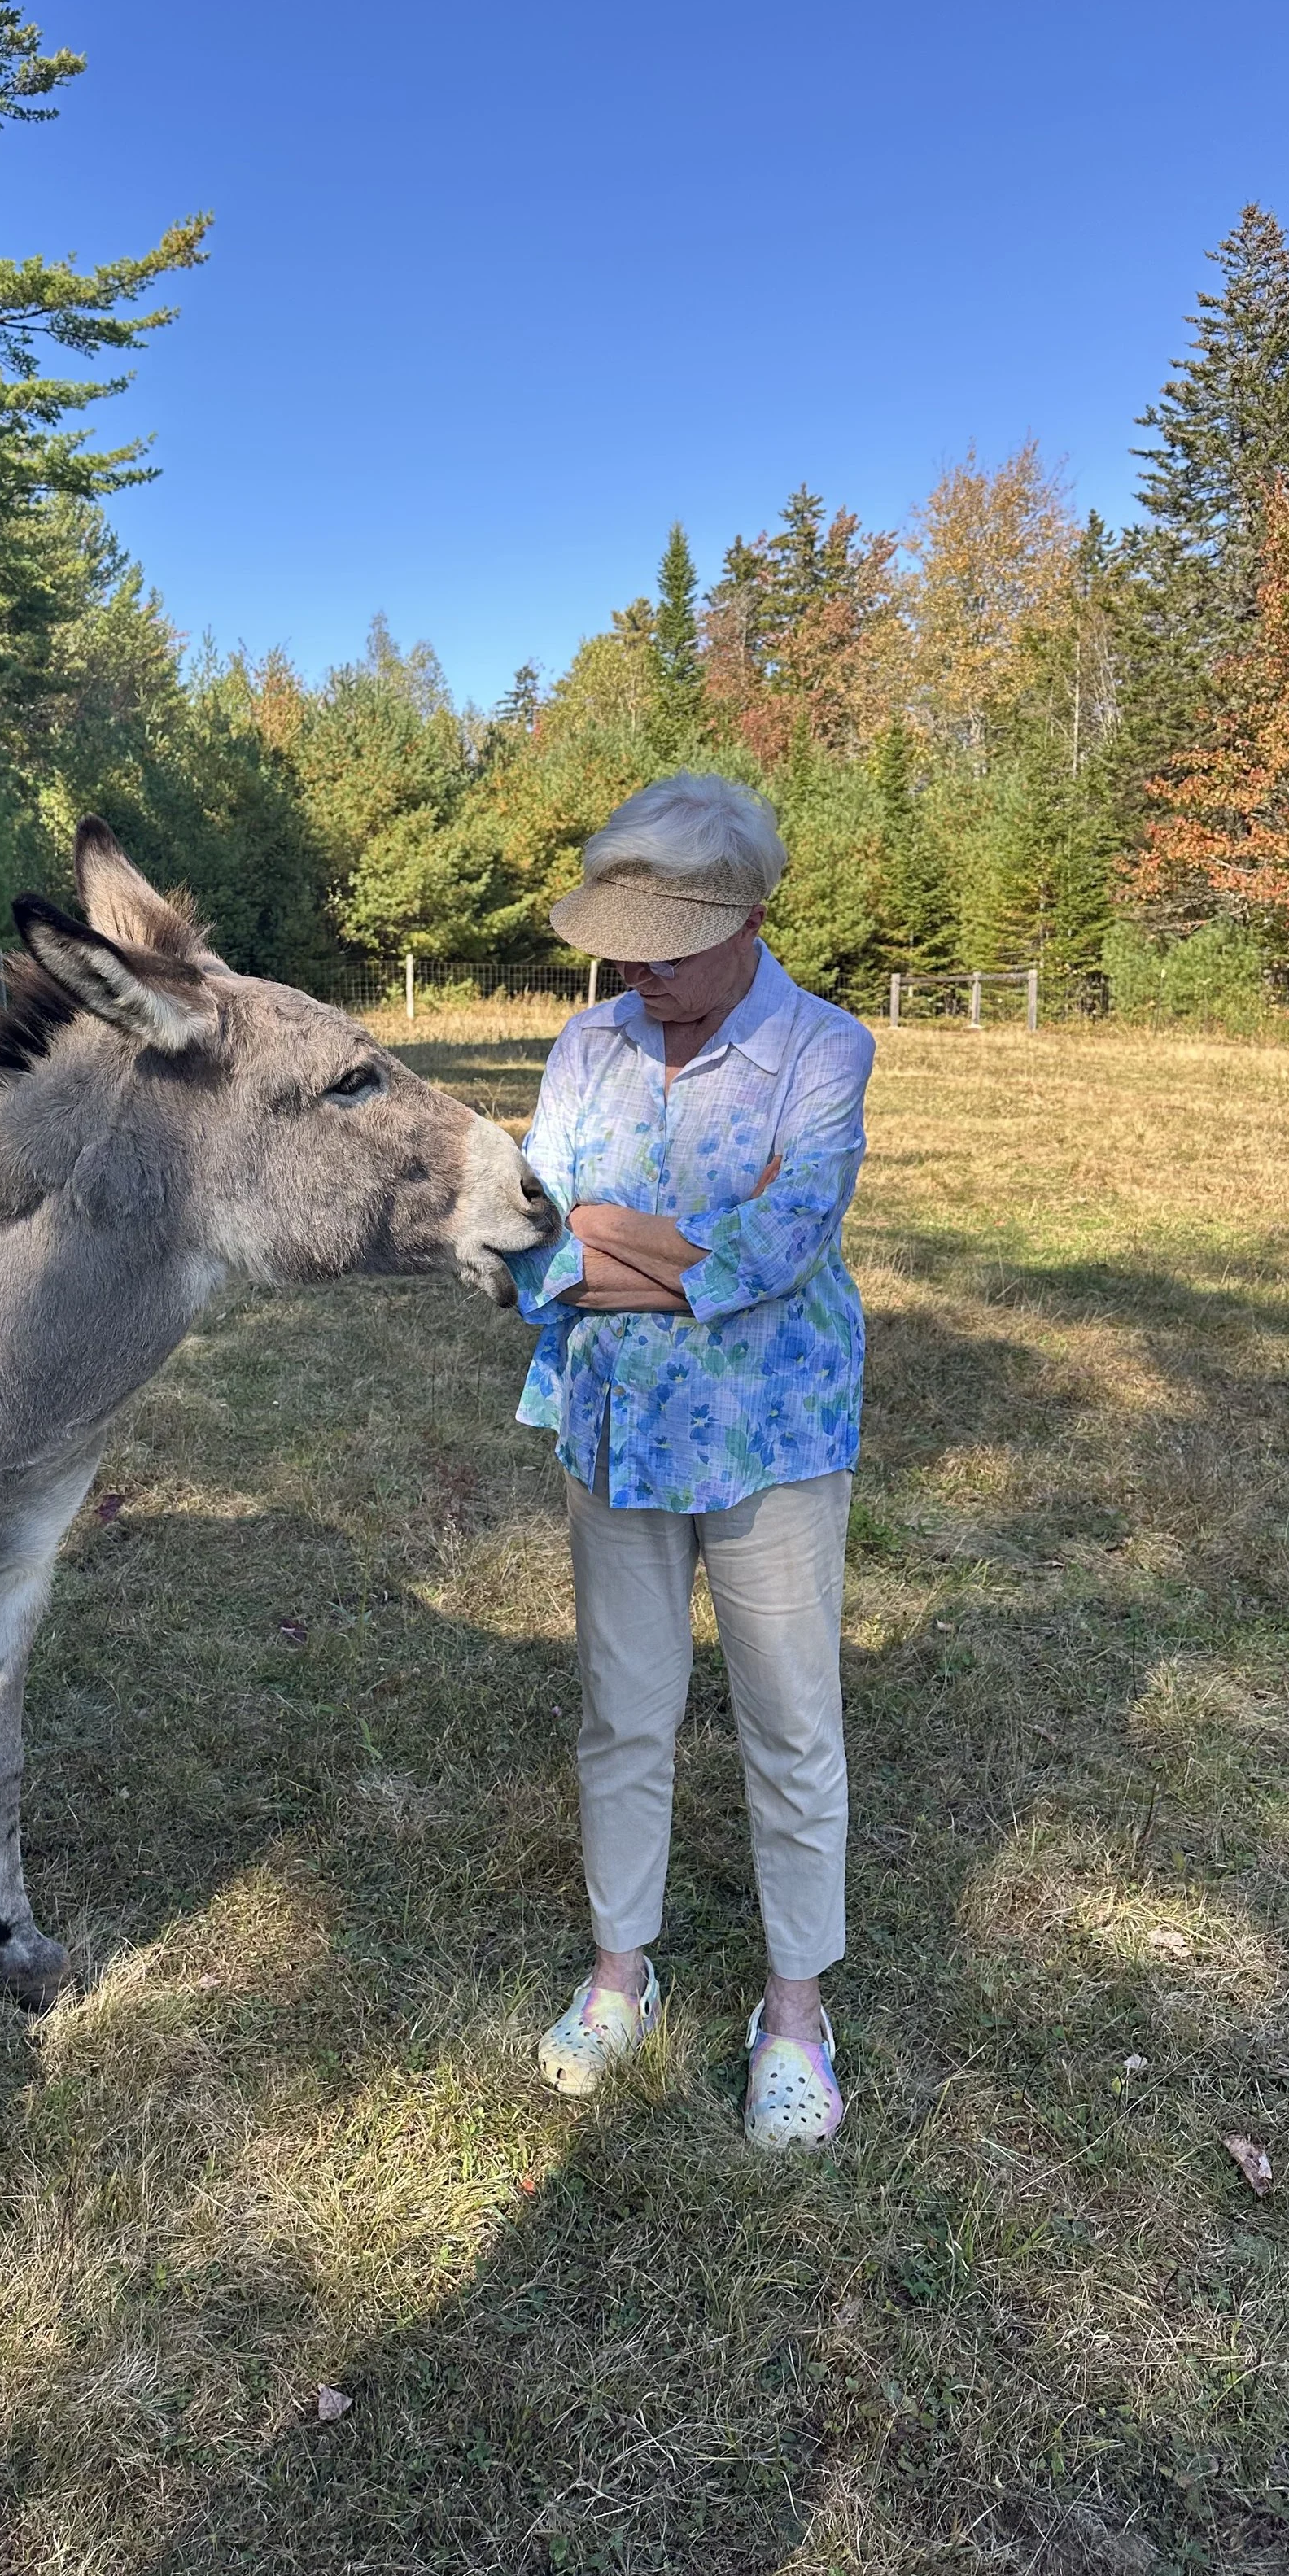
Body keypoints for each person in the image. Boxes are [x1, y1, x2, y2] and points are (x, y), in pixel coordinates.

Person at [506, 772, 876, 2149]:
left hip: (775, 1436)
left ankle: (795, 2013)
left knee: (790, 1719)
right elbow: (533, 1238)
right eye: (624, 943)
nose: (639, 970)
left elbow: (782, 1248)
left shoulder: (824, 1051)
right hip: (616, 1427)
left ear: (748, 921)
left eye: (667, 943)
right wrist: (651, 1247)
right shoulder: (585, 1045)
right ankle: (622, 1974)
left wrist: (615, 1229)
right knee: (624, 1708)